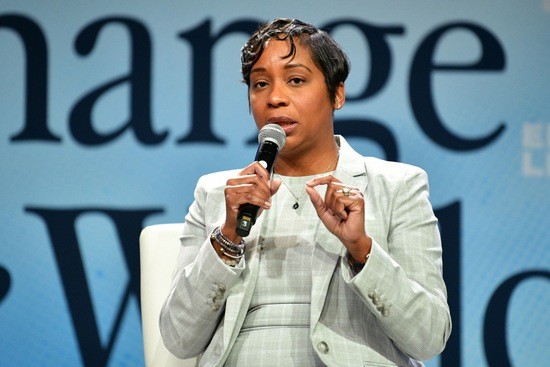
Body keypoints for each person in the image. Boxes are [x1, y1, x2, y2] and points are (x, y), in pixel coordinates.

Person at [159, 18, 451, 367]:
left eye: (296, 80)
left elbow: (429, 337)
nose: (275, 98)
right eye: (260, 84)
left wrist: (362, 250)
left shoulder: (396, 185)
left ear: (336, 94)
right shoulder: (218, 193)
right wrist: (227, 238)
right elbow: (179, 339)